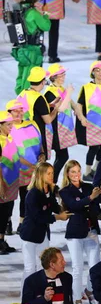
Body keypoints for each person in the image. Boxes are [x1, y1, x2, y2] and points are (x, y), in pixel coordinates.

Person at [59, 160, 101, 304]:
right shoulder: (64, 191)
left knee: (94, 266)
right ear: (67, 173)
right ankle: (77, 298)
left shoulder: (87, 186)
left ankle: (90, 291)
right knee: (78, 267)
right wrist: (91, 198)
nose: (76, 174)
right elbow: (74, 205)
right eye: (73, 172)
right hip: (75, 233)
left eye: (78, 171)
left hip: (91, 231)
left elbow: (100, 200)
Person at [20, 163, 70, 281]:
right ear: (40, 175)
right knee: (30, 269)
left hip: (43, 235)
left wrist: (65, 210)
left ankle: (40, 295)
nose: (51, 175)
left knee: (42, 268)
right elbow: (38, 217)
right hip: (29, 236)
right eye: (48, 173)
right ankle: (25, 296)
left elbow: (53, 205)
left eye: (52, 173)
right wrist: (58, 217)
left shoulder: (49, 190)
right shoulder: (33, 194)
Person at [23, 0, 78, 64]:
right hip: (54, 4)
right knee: (54, 30)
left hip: (37, 4)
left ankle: (37, 53)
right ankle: (52, 56)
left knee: (37, 30)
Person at [5, 99, 44, 237]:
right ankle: (7, 222)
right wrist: (32, 165)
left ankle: (22, 222)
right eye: (15, 110)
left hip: (31, 170)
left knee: (26, 197)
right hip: (11, 170)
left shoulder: (32, 124)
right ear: (9, 113)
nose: (19, 113)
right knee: (8, 200)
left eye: (20, 110)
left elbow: (39, 142)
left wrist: (42, 153)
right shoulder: (7, 128)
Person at [44, 64, 82, 182]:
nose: (64, 77)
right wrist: (69, 92)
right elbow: (60, 109)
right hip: (55, 129)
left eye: (64, 74)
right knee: (62, 156)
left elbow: (71, 103)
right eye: (61, 75)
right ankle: (51, 181)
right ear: (54, 77)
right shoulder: (49, 93)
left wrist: (80, 115)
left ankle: (51, 181)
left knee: (62, 156)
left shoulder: (60, 89)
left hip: (62, 129)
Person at [10, 0, 50, 95]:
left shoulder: (18, 10)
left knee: (21, 73)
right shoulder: (33, 13)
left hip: (20, 49)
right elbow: (46, 26)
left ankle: (19, 97)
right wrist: (45, 14)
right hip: (32, 50)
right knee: (30, 77)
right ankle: (26, 103)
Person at [16, 66, 59, 160]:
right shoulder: (39, 98)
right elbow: (48, 120)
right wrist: (56, 109)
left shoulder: (22, 93)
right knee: (39, 169)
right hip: (36, 138)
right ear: (43, 82)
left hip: (22, 137)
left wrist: (49, 105)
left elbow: (33, 108)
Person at [0, 110, 20, 254]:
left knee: (7, 212)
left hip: (12, 182)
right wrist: (1, 185)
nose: (11, 127)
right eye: (8, 125)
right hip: (3, 183)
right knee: (1, 213)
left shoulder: (10, 138)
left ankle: (2, 241)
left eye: (11, 124)